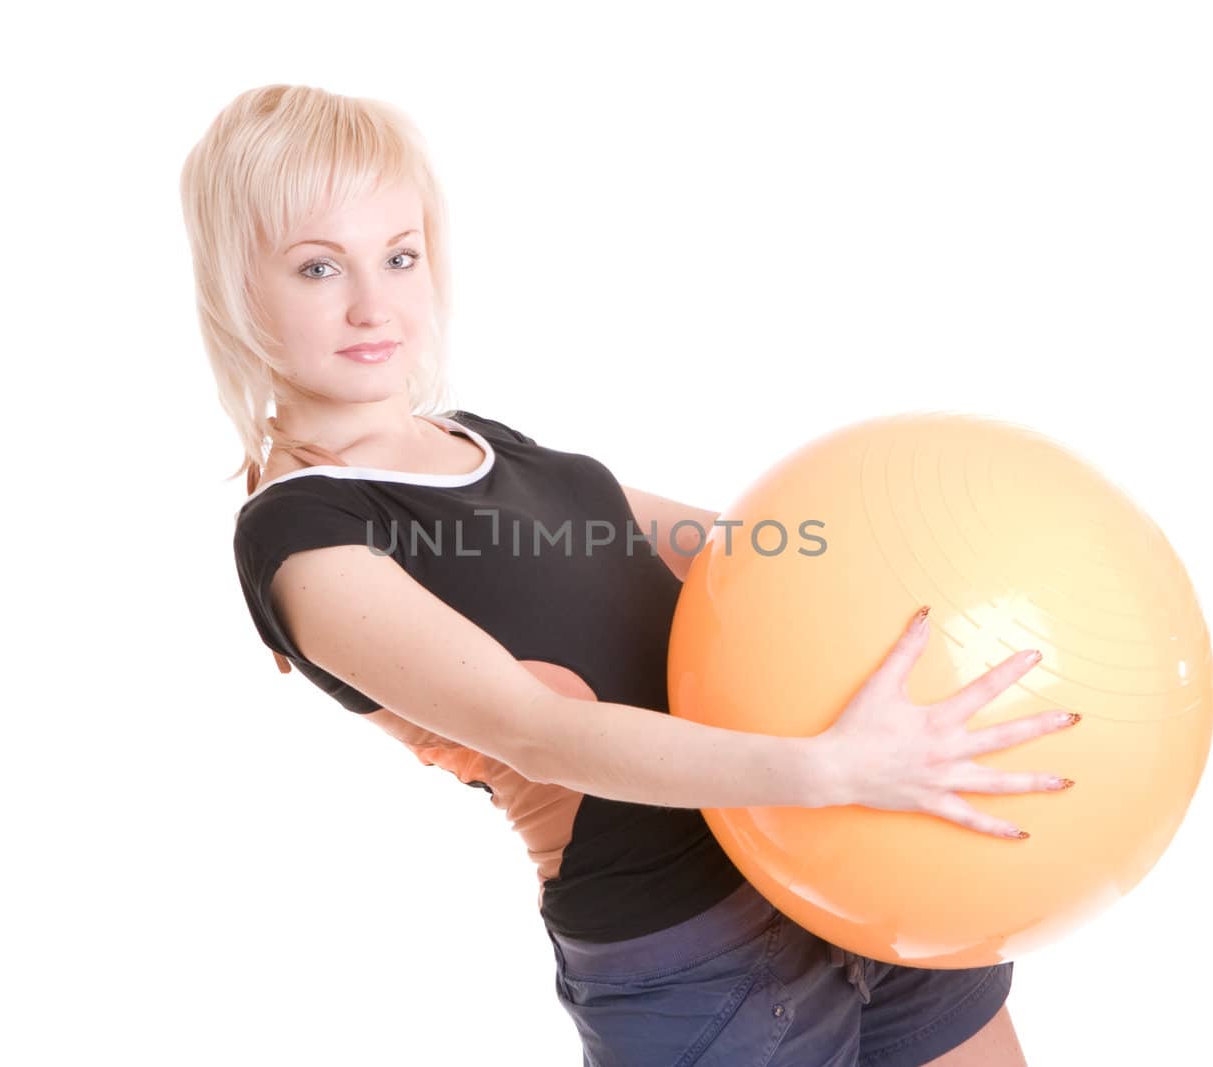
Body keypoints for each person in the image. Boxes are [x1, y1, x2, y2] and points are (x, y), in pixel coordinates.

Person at [182, 84, 1080, 1066]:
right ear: (236, 285)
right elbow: (542, 731)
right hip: (704, 955)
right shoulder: (305, 535)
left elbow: (748, 548)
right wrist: (829, 768)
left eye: (398, 255)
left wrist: (948, 551)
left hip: (852, 846)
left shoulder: (481, 440)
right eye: (318, 266)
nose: (372, 303)